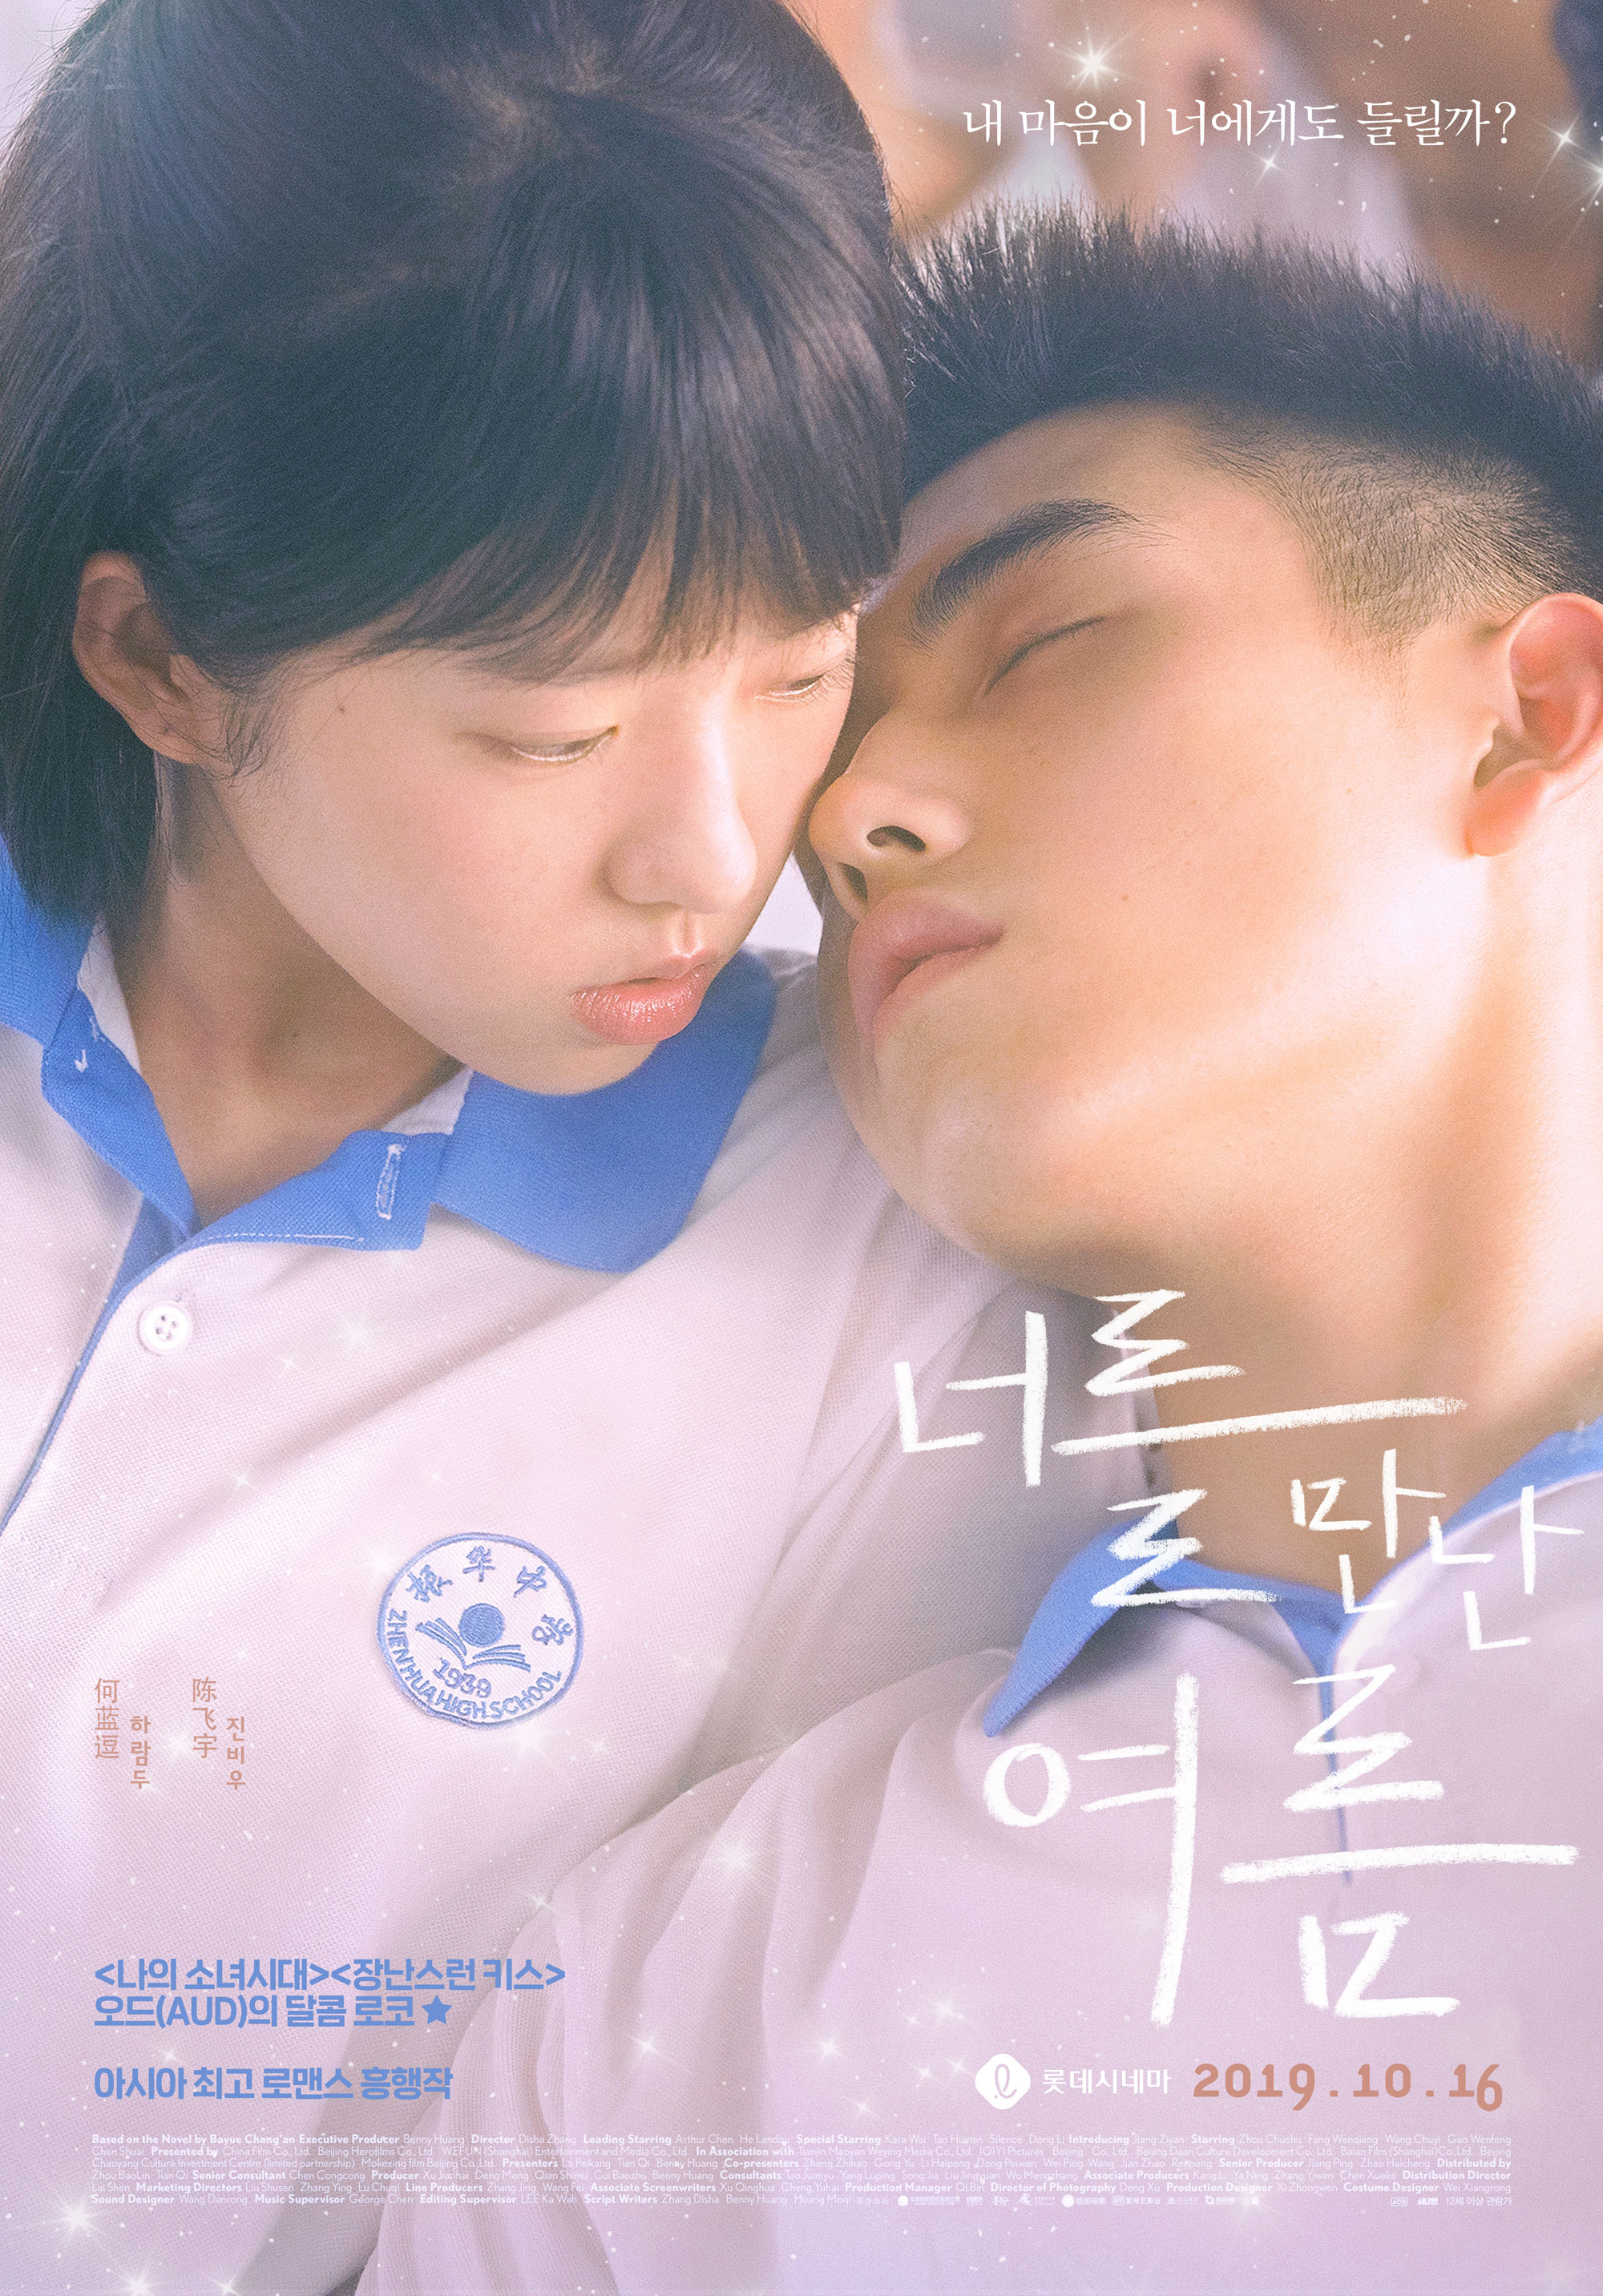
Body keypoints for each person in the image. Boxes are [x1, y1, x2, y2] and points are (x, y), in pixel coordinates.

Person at [0, 14, 1153, 2294]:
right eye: (553, 733)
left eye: (801, 668)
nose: (713, 859)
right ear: (160, 661)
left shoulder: (895, 1286)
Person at [364, 212, 1603, 2294]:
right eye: (832, 764)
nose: (855, 818)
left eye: (1043, 642)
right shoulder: (676, 1999)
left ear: (1524, 714)